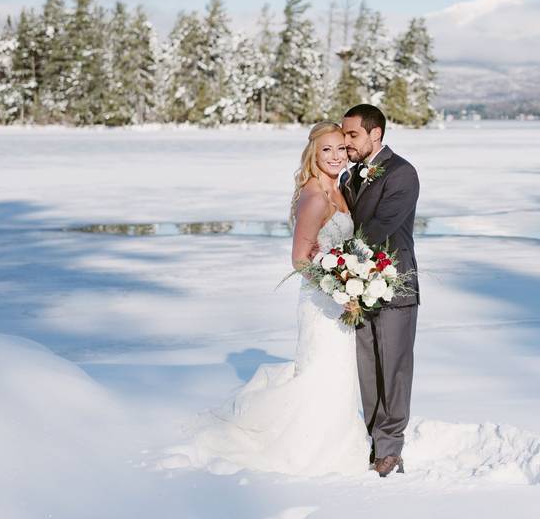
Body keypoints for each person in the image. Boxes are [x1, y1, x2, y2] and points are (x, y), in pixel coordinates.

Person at [171, 121, 370, 476]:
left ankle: (337, 439)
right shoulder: (313, 196)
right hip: (322, 302)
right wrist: (338, 291)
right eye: (327, 150)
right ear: (313, 153)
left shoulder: (338, 189)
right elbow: (298, 260)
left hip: (341, 297)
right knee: (322, 371)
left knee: (339, 373)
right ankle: (312, 446)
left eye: (341, 148)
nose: (336, 156)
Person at [341, 104, 421, 477]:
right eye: (344, 134)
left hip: (394, 284)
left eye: (352, 134)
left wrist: (339, 260)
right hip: (356, 287)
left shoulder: (402, 173)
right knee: (368, 369)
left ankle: (391, 450)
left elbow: (382, 226)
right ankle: (375, 443)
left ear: (376, 134)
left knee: (394, 369)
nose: (346, 142)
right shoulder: (347, 178)